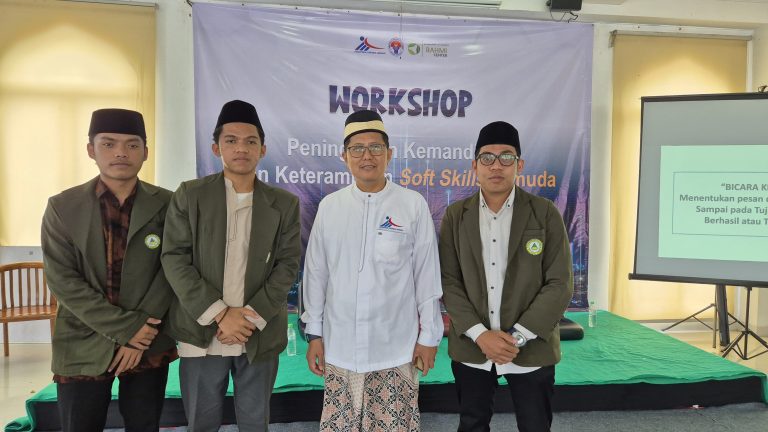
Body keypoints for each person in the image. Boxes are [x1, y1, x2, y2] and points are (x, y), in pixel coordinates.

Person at [161, 100, 301, 431]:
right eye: (231, 140)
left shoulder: (283, 203)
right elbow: (174, 257)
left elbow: (288, 265)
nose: (241, 148)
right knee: (202, 421)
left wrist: (247, 318)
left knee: (255, 422)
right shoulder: (190, 195)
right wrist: (222, 314)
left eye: (251, 141)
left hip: (257, 330)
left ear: (262, 149)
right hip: (203, 329)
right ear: (216, 148)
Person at [301, 109, 444, 431]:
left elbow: (426, 276)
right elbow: (316, 275)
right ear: (344, 156)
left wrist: (429, 337)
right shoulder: (331, 207)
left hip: (395, 347)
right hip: (340, 346)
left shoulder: (412, 205)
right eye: (357, 149)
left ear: (389, 154)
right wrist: (314, 335)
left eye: (375, 147)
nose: (367, 156)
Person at [41, 108, 177, 432]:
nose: (120, 153)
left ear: (146, 152)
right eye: (109, 144)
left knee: (144, 424)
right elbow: (63, 280)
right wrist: (126, 329)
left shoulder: (170, 204)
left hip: (148, 340)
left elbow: (172, 270)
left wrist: (138, 335)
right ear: (91, 149)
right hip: (83, 339)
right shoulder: (63, 207)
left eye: (132, 144)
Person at [439, 121, 573, 432]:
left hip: (531, 347)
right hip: (473, 348)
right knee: (472, 424)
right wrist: (480, 335)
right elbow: (448, 281)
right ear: (475, 166)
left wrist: (517, 337)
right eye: (487, 157)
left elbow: (560, 283)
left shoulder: (544, 213)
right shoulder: (456, 216)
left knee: (535, 426)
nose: (496, 165)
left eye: (506, 157)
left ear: (519, 165)